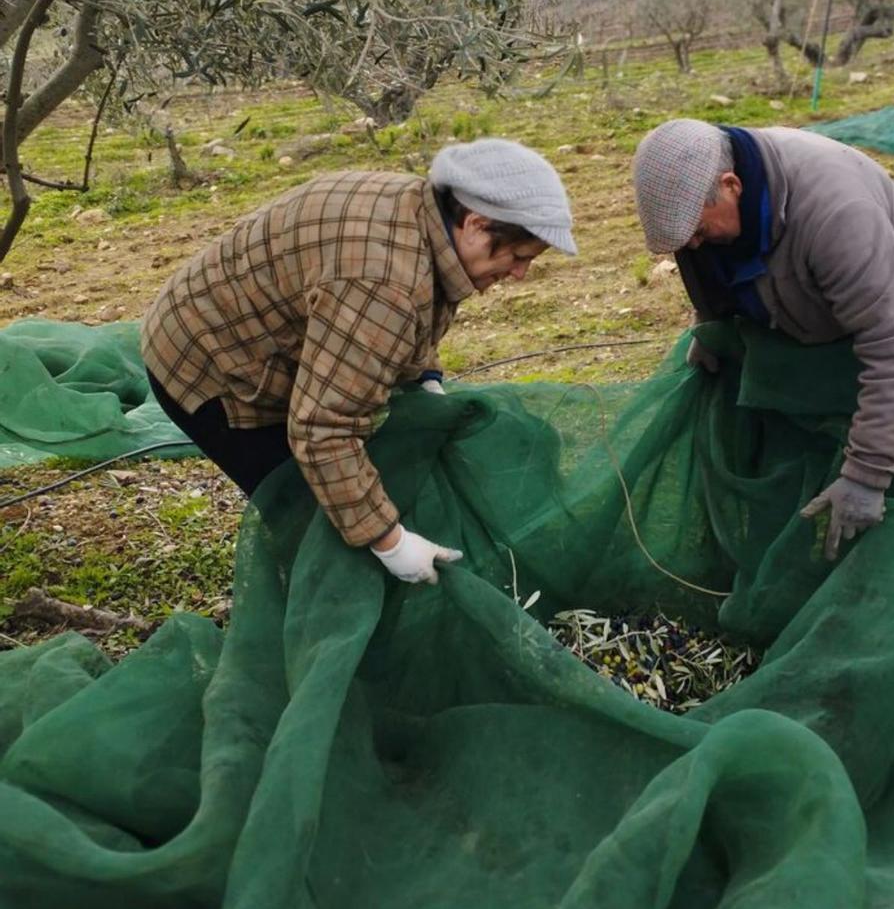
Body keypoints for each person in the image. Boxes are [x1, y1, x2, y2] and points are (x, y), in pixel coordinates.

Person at [141, 139, 576, 585]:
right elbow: (321, 429)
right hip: (211, 366)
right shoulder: (383, 281)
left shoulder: (425, 217)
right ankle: (320, 620)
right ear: (476, 223)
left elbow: (419, 305)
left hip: (251, 324)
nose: (521, 274)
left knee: (351, 496)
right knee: (312, 524)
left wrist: (424, 379)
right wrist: (389, 542)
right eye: (518, 257)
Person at [632, 119, 894, 558]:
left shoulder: (835, 214)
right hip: (806, 299)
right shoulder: (705, 217)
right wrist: (711, 327)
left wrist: (867, 476)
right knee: (797, 435)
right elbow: (713, 271)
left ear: (731, 185)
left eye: (697, 231)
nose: (692, 246)